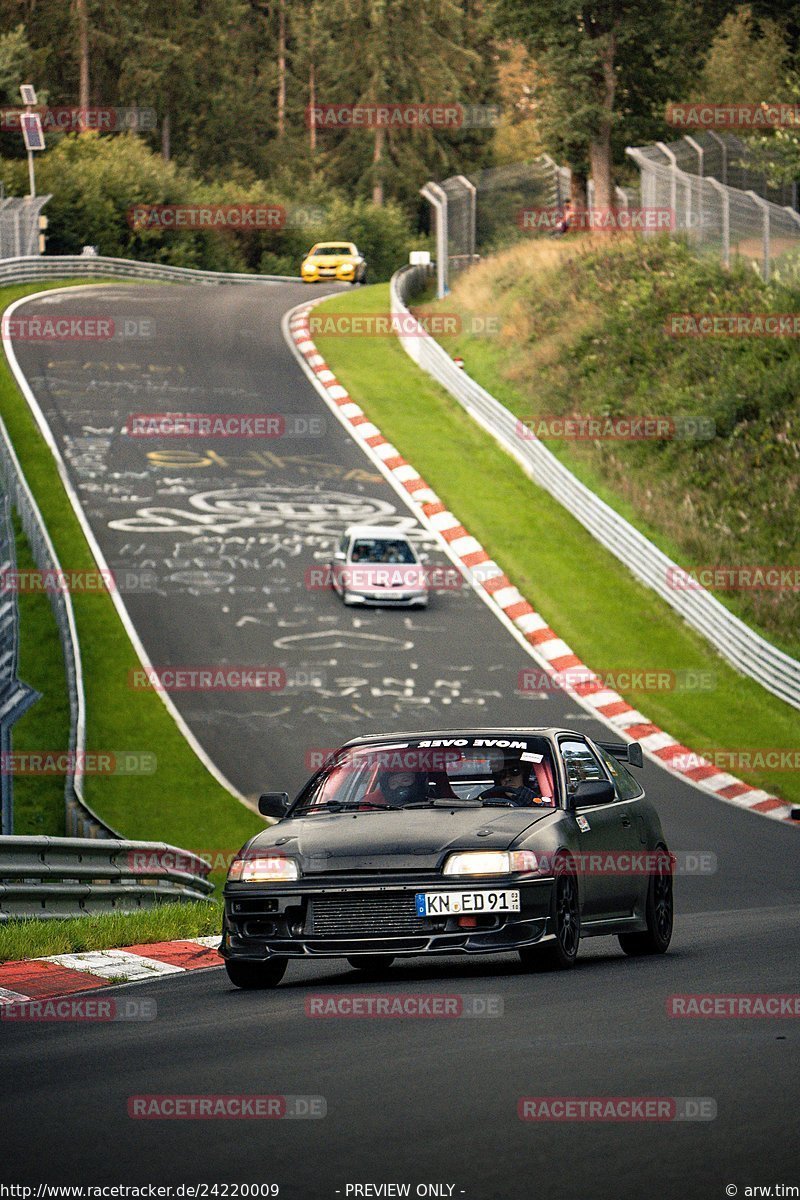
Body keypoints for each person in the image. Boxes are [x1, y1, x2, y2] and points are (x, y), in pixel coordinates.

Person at [480, 750, 545, 806]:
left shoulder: (541, 798)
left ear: (524, 775)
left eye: (515, 771)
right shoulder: (487, 799)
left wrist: (532, 802)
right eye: (502, 774)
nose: (507, 779)